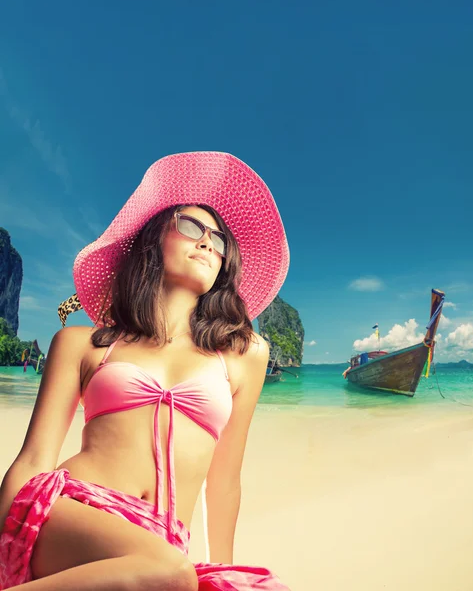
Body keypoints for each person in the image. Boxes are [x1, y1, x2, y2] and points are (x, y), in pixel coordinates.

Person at [0, 152, 290, 590]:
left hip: (162, 548)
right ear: (154, 240)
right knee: (171, 572)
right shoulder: (83, 343)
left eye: (219, 238)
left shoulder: (244, 355)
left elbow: (225, 482)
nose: (208, 241)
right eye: (191, 226)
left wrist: (224, 571)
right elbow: (33, 460)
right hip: (65, 514)